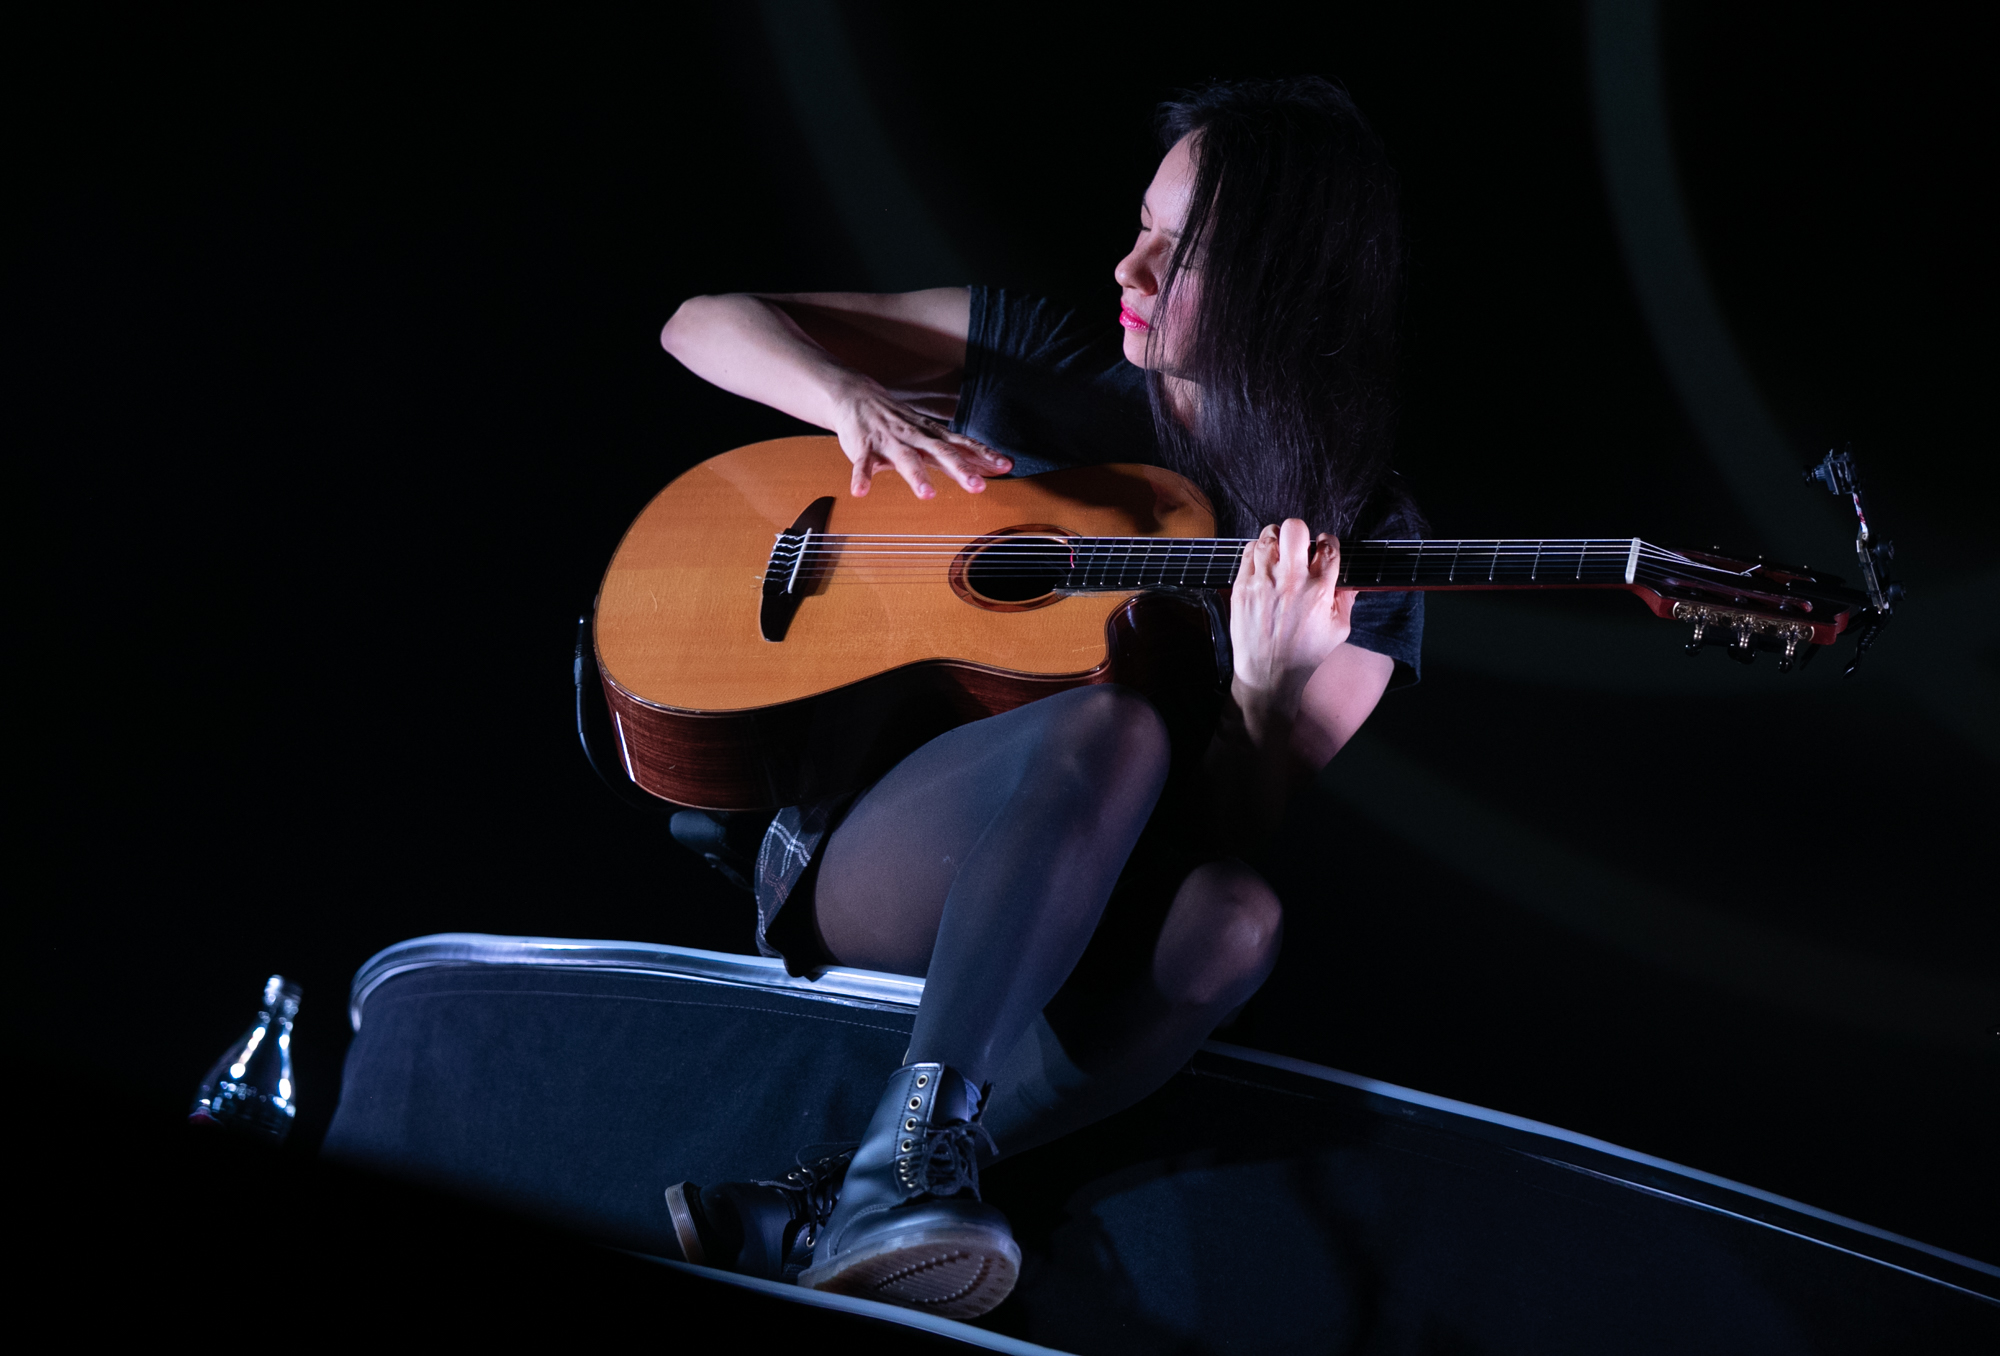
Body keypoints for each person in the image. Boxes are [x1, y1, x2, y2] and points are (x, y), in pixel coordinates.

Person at [654, 76, 1421, 1318]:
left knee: (1237, 919)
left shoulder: (1358, 536)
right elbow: (701, 323)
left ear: (1284, 282)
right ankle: (897, 1172)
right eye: (1142, 225)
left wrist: (1266, 689)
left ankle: (847, 1188)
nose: (1130, 266)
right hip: (877, 847)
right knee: (1109, 720)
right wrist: (852, 403)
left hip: (1091, 896)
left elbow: (1218, 831)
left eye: (1181, 252)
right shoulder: (1040, 358)